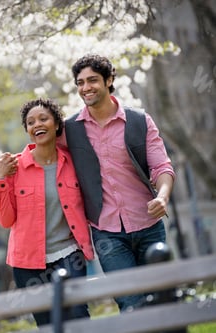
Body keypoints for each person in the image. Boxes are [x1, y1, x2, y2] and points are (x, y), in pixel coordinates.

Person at [63, 54, 175, 312]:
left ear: (109, 80)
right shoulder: (70, 129)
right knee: (130, 303)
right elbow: (43, 152)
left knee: (162, 299)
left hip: (148, 224)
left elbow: (162, 166)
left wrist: (163, 196)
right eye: (80, 82)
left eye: (92, 80)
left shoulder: (139, 121)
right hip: (107, 231)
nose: (85, 87)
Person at [0, 97, 95, 327]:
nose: (37, 124)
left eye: (43, 118)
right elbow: (5, 220)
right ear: (28, 131)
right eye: (30, 122)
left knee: (78, 312)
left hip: (69, 253)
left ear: (56, 124)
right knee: (47, 322)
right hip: (27, 262)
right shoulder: (14, 168)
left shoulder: (72, 162)